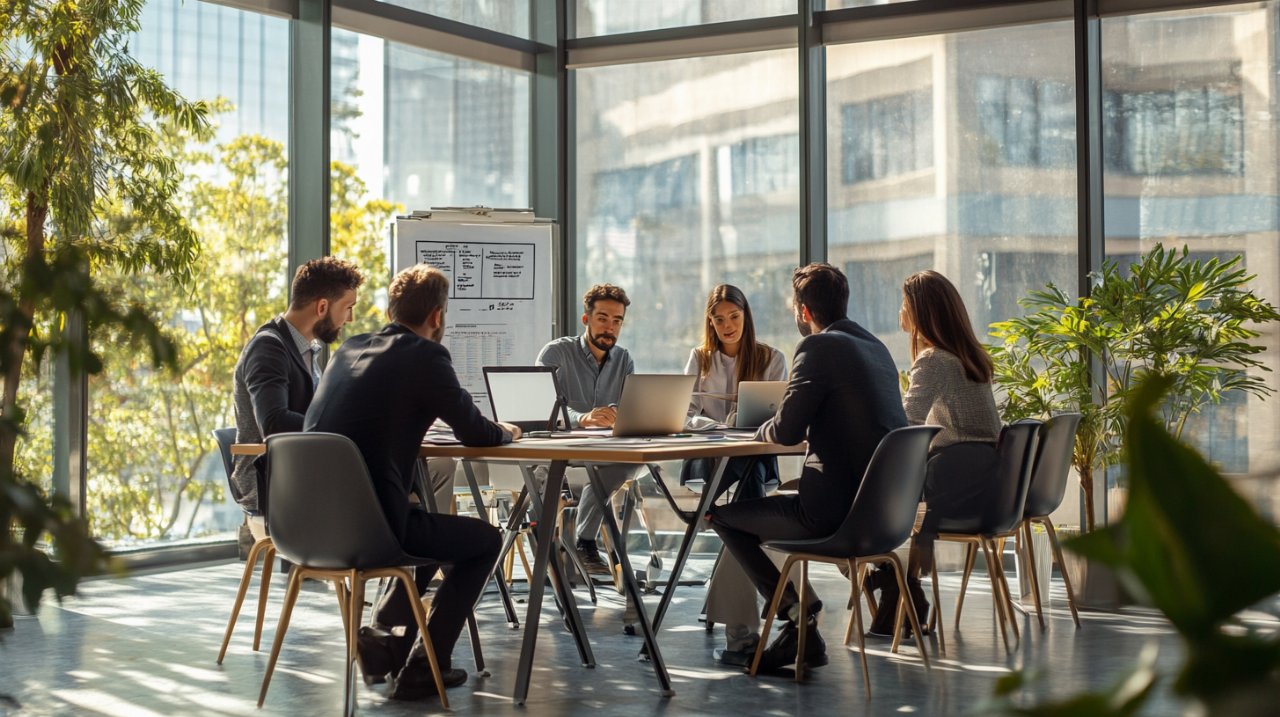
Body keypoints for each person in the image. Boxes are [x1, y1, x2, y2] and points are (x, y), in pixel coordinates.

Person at [303, 264, 522, 701]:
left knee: (425, 523)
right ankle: (425, 667)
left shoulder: (348, 349)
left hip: (308, 528)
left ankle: (385, 642)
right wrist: (508, 431)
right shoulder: (427, 357)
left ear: (391, 310)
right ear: (437, 316)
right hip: (372, 530)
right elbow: (475, 432)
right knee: (485, 541)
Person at [708, 263, 906, 673]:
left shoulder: (818, 347)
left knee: (723, 517)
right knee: (766, 502)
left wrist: (755, 427)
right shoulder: (877, 348)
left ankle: (798, 622)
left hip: (833, 515)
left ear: (803, 311)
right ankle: (797, 624)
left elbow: (785, 430)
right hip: (885, 517)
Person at [865, 269, 1002, 637]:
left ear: (921, 312)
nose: (900, 310)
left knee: (863, 497)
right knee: (883, 498)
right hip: (986, 487)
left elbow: (905, 424)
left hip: (953, 486)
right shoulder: (969, 357)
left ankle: (893, 581)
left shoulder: (935, 361)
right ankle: (898, 587)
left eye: (904, 303)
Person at [680, 284, 787, 665]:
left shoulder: (771, 358)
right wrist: (714, 426)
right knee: (748, 500)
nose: (727, 326)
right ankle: (753, 622)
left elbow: (778, 417)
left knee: (749, 473)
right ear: (710, 322)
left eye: (734, 317)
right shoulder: (700, 358)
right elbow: (685, 413)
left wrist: (741, 427)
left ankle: (741, 635)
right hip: (711, 459)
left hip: (752, 456)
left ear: (746, 316)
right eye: (719, 319)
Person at [230, 256, 363, 537]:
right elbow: (274, 423)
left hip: (298, 473)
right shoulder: (268, 348)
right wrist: (342, 428)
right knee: (389, 492)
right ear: (322, 307)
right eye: (348, 307)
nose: (349, 318)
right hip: (271, 482)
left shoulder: (304, 349)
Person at [535, 284, 640, 576]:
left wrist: (621, 415)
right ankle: (550, 552)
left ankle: (584, 541)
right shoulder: (556, 353)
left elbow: (629, 407)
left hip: (604, 451)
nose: (610, 327)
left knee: (627, 465)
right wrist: (581, 418)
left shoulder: (624, 360)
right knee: (547, 478)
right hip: (559, 452)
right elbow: (543, 406)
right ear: (586, 319)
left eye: (617, 321)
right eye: (602, 318)